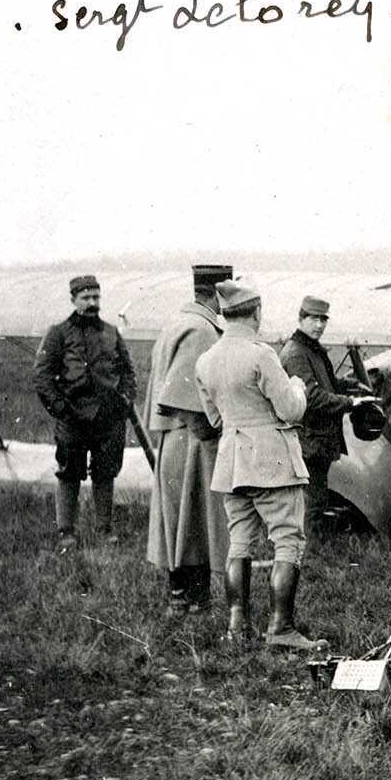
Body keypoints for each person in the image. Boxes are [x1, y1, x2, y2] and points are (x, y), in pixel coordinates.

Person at [195, 279, 325, 650]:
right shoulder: (261, 355)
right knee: (287, 541)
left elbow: (215, 419)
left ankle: (237, 627)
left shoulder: (206, 360)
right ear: (255, 313)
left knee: (240, 542)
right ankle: (281, 628)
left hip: (232, 463)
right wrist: (298, 386)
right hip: (272, 461)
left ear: (224, 314)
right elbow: (291, 408)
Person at [145, 264, 233, 615]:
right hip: (192, 438)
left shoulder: (177, 323)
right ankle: (191, 600)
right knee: (194, 519)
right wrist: (211, 434)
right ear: (218, 292)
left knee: (179, 518)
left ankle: (181, 597)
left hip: (175, 438)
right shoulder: (200, 330)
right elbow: (183, 397)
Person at [34, 273, 137, 551]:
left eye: (96, 297)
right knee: (69, 472)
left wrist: (123, 402)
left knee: (105, 473)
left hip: (107, 418)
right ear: (73, 300)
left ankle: (105, 529)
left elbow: (128, 373)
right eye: (86, 297)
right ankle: (66, 531)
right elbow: (42, 376)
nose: (92, 303)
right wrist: (60, 408)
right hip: (73, 418)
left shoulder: (111, 332)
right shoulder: (58, 333)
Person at [278, 295, 377, 551]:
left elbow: (325, 384)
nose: (320, 325)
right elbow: (311, 396)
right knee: (312, 499)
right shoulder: (297, 353)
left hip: (315, 439)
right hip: (308, 439)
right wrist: (350, 403)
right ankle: (307, 553)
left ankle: (308, 548)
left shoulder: (310, 348)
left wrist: (350, 385)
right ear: (301, 318)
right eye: (313, 318)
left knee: (316, 496)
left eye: (323, 319)